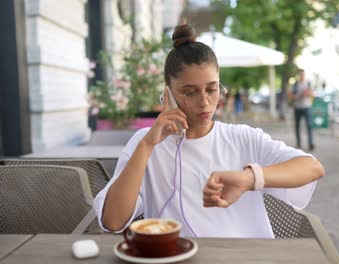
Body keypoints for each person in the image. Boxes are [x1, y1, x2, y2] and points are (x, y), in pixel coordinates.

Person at [93, 24, 325, 238]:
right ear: (169, 95)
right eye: (190, 92)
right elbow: (113, 221)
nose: (205, 103)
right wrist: (146, 146)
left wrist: (249, 178)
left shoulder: (242, 138)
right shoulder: (145, 143)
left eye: (212, 89)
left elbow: (312, 167)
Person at [288, 69, 315, 150]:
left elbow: (312, 94)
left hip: (307, 107)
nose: (302, 76)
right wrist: (299, 96)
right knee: (297, 126)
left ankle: (310, 143)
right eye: (300, 74)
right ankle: (299, 143)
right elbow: (290, 96)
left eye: (303, 74)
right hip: (297, 107)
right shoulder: (295, 84)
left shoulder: (308, 83)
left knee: (309, 125)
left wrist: (308, 93)